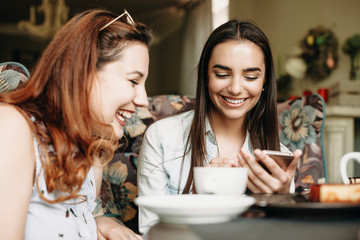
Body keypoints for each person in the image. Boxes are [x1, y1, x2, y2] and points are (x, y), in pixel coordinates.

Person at [137, 19, 302, 235]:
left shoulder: (278, 160)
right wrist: (201, 201)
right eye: (222, 74)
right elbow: (150, 232)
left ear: (264, 82)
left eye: (250, 77)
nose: (235, 88)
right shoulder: (161, 138)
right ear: (206, 76)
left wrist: (281, 201)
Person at [0, 9, 151, 240]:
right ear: (84, 71)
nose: (143, 99)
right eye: (133, 81)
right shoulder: (12, 126)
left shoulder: (93, 151)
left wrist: (100, 222)